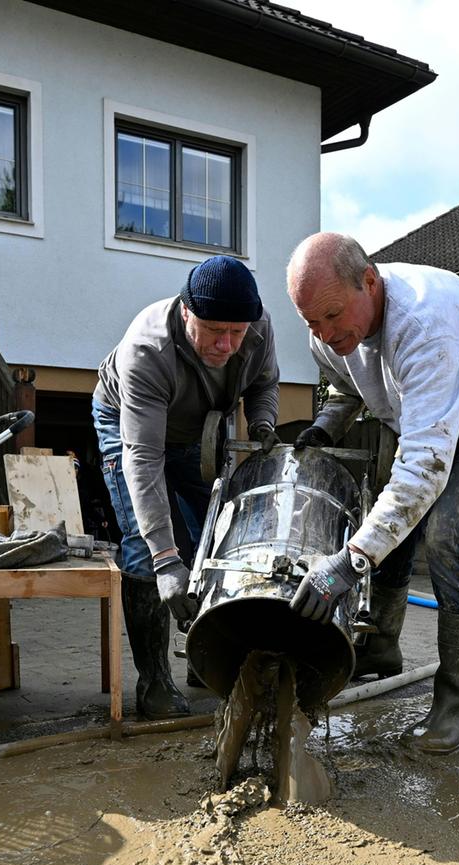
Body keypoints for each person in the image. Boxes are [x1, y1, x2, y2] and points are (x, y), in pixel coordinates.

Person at [286, 232, 459, 753]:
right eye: (311, 323)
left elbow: (425, 467)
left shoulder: (430, 326)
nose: (324, 333)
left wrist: (348, 562)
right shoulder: (329, 324)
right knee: (390, 525)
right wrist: (326, 427)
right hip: (424, 410)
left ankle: (456, 707)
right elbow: (345, 385)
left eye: (333, 317)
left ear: (369, 281)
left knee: (448, 533)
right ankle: (381, 647)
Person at [93, 256, 280, 717]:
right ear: (185, 314)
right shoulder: (147, 349)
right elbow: (144, 458)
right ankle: (154, 680)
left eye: (236, 334)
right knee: (145, 548)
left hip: (200, 431)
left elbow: (265, 382)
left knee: (216, 535)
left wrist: (261, 423)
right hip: (129, 429)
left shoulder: (255, 324)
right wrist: (164, 559)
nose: (226, 344)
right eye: (214, 331)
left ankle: (206, 656)